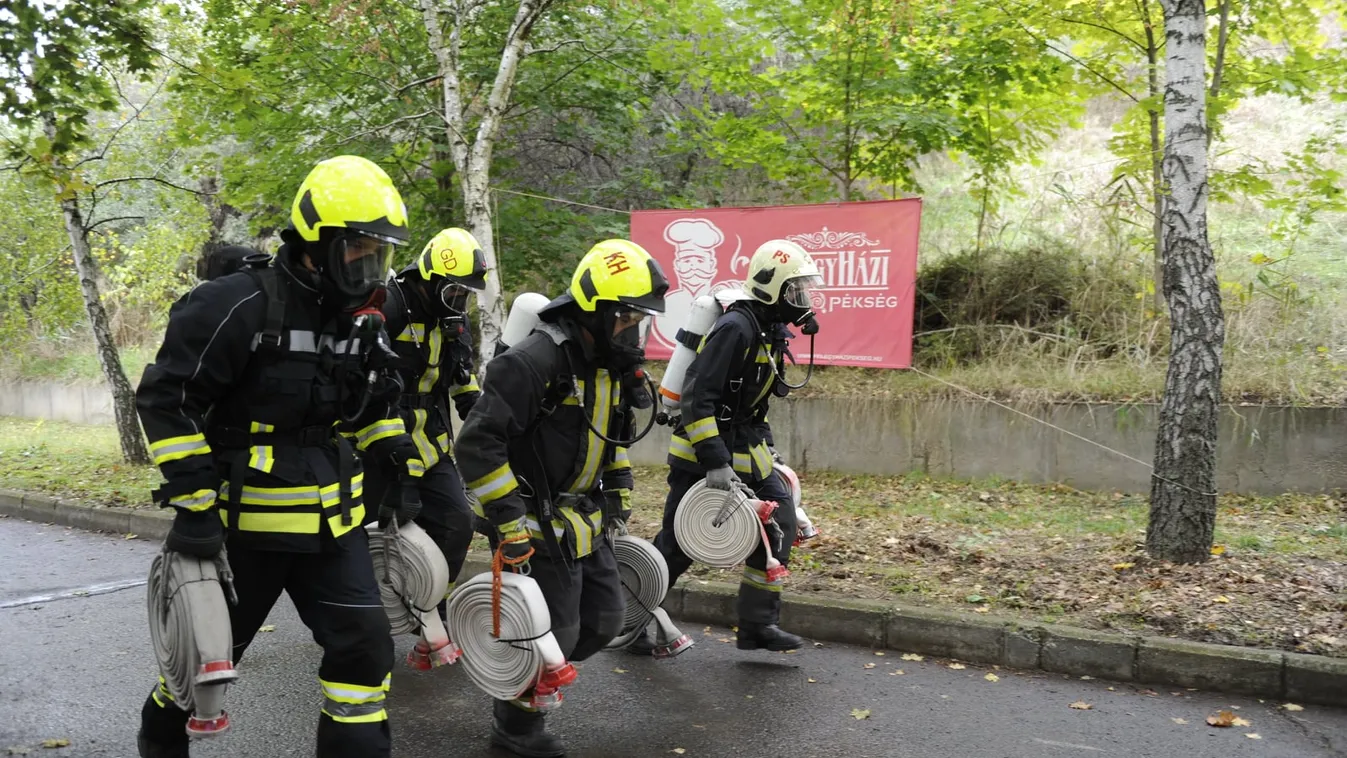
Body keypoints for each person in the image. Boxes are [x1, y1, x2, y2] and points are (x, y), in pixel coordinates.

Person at [134, 155, 421, 758]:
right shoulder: (233, 306)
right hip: (244, 534)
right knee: (200, 662)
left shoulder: (365, 315)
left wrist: (393, 453)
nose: (370, 266)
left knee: (365, 655)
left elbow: (368, 401)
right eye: (358, 249)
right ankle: (160, 741)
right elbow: (168, 399)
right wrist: (193, 505)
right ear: (315, 242)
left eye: (381, 252)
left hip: (334, 527)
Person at [456, 239, 669, 758]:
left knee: (604, 620)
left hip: (584, 519)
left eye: (639, 320)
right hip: (531, 521)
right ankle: (516, 728)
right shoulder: (534, 361)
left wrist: (617, 494)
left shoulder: (610, 365)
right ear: (593, 313)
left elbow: (613, 439)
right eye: (626, 319)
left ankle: (521, 687)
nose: (633, 331)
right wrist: (508, 520)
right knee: (557, 627)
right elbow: (477, 445)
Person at [645, 239, 823, 654]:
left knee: (779, 523)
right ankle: (631, 616)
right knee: (679, 545)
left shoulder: (769, 331)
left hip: (745, 449)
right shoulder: (735, 328)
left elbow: (752, 406)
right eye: (797, 290)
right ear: (771, 288)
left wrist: (768, 448)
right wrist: (715, 462)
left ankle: (757, 625)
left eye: (806, 291)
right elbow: (697, 398)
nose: (805, 300)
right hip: (702, 457)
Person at [364, 227, 486, 655]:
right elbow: (363, 380)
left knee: (458, 521)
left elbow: (462, 379)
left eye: (466, 295)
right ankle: (361, 614)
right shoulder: (390, 305)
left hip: (430, 444)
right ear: (430, 279)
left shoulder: (453, 320)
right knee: (374, 533)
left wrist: (481, 415)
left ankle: (431, 601)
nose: (460, 302)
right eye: (454, 292)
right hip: (378, 445)